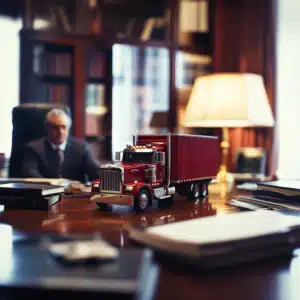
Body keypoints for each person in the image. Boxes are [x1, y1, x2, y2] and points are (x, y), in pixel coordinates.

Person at [22, 108, 100, 182]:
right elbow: (30, 174)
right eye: (55, 128)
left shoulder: (81, 148)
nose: (60, 132)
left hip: (75, 194)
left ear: (69, 128)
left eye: (63, 127)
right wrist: (53, 186)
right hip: (45, 193)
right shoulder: (33, 148)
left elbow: (95, 172)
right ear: (47, 128)